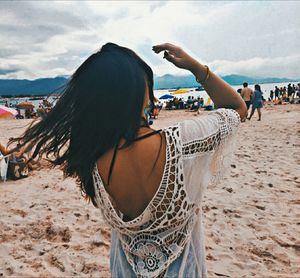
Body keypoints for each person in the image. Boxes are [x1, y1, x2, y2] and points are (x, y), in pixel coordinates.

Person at [11, 42, 246, 277]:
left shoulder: (90, 158)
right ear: (137, 90)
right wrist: (196, 68)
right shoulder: (183, 142)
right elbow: (237, 107)